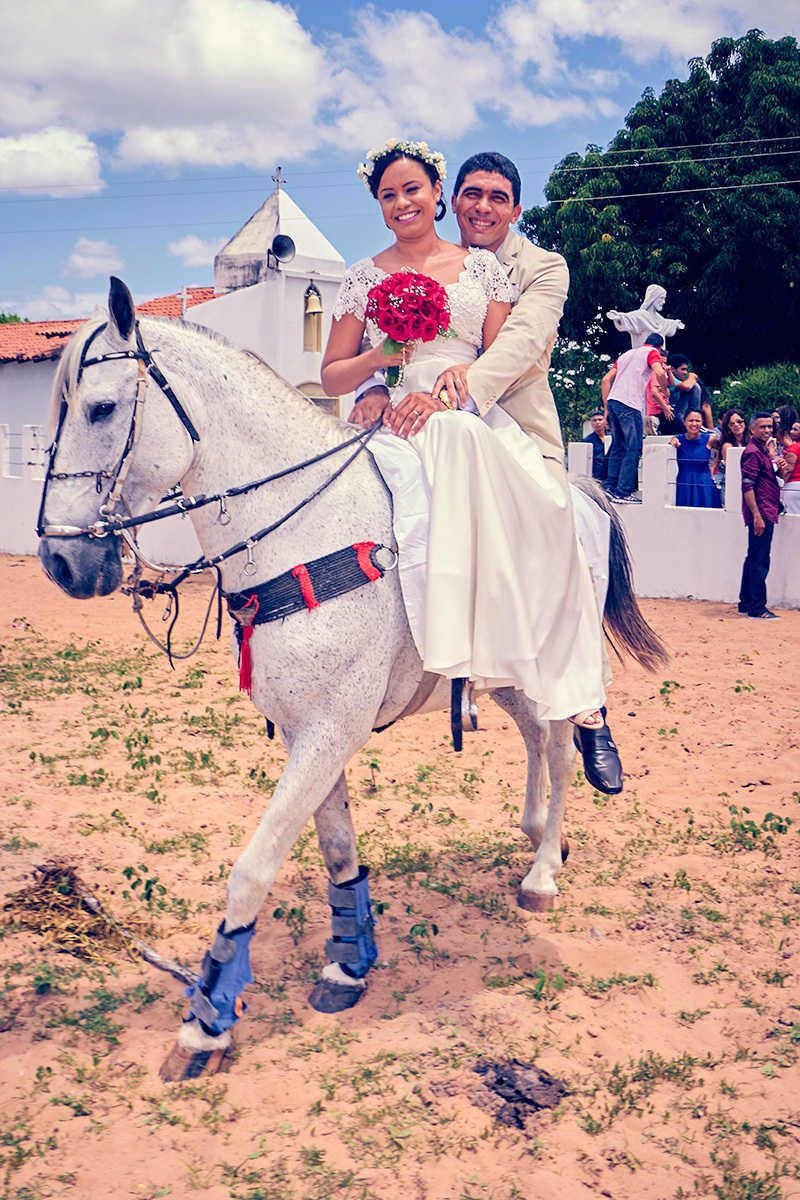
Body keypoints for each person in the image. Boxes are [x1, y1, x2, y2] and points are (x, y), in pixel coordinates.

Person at [321, 139, 619, 787]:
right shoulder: (364, 276)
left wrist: (451, 390)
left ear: (435, 192)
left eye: (412, 189)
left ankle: (567, 688)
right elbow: (336, 372)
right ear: (453, 198)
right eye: (388, 195)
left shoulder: (511, 270)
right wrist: (380, 373)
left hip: (475, 409)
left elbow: (506, 352)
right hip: (395, 410)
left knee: (529, 497)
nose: (404, 202)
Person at [601, 333, 670, 502]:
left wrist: (606, 410)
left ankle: (610, 487)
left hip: (613, 402)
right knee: (634, 448)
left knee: (618, 445)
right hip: (629, 404)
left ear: (644, 341)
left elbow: (605, 379)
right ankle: (623, 492)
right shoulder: (652, 352)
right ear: (659, 347)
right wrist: (665, 390)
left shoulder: (626, 355)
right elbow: (659, 373)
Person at [738, 411, 783, 620]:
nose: (767, 430)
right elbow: (747, 485)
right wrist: (756, 515)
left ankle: (746, 603)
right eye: (763, 427)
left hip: (765, 510)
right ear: (752, 429)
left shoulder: (762, 451)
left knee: (753, 557)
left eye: (770, 427)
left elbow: (765, 480)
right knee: (760, 560)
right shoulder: (753, 452)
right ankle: (757, 608)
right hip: (761, 512)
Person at [669, 410, 721, 508]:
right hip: (684, 481)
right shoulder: (677, 438)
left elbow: (722, 449)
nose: (694, 424)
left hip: (704, 481)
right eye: (690, 420)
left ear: (702, 422)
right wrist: (671, 442)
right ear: (684, 422)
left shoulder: (710, 439)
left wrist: (714, 465)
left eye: (697, 421)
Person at [607, 285, 684, 348]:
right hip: (643, 358)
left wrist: (675, 324)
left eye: (664, 298)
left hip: (659, 359)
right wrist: (619, 316)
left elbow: (666, 324)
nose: (663, 302)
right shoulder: (640, 315)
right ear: (653, 297)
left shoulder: (659, 318)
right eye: (661, 298)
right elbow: (628, 318)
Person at [717, 408, 750, 502]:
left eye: (739, 421)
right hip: (733, 485)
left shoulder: (752, 442)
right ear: (728, 428)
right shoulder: (727, 446)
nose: (736, 425)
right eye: (732, 423)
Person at [778, 424, 800, 513]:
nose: (791, 432)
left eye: (796, 430)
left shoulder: (794, 448)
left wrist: (780, 485)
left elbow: (788, 470)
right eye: (791, 429)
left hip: (792, 487)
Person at [583, 410, 609, 481]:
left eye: (600, 420)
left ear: (604, 421)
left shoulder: (613, 437)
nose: (597, 422)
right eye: (594, 420)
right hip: (596, 478)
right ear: (591, 424)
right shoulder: (587, 441)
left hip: (611, 477)